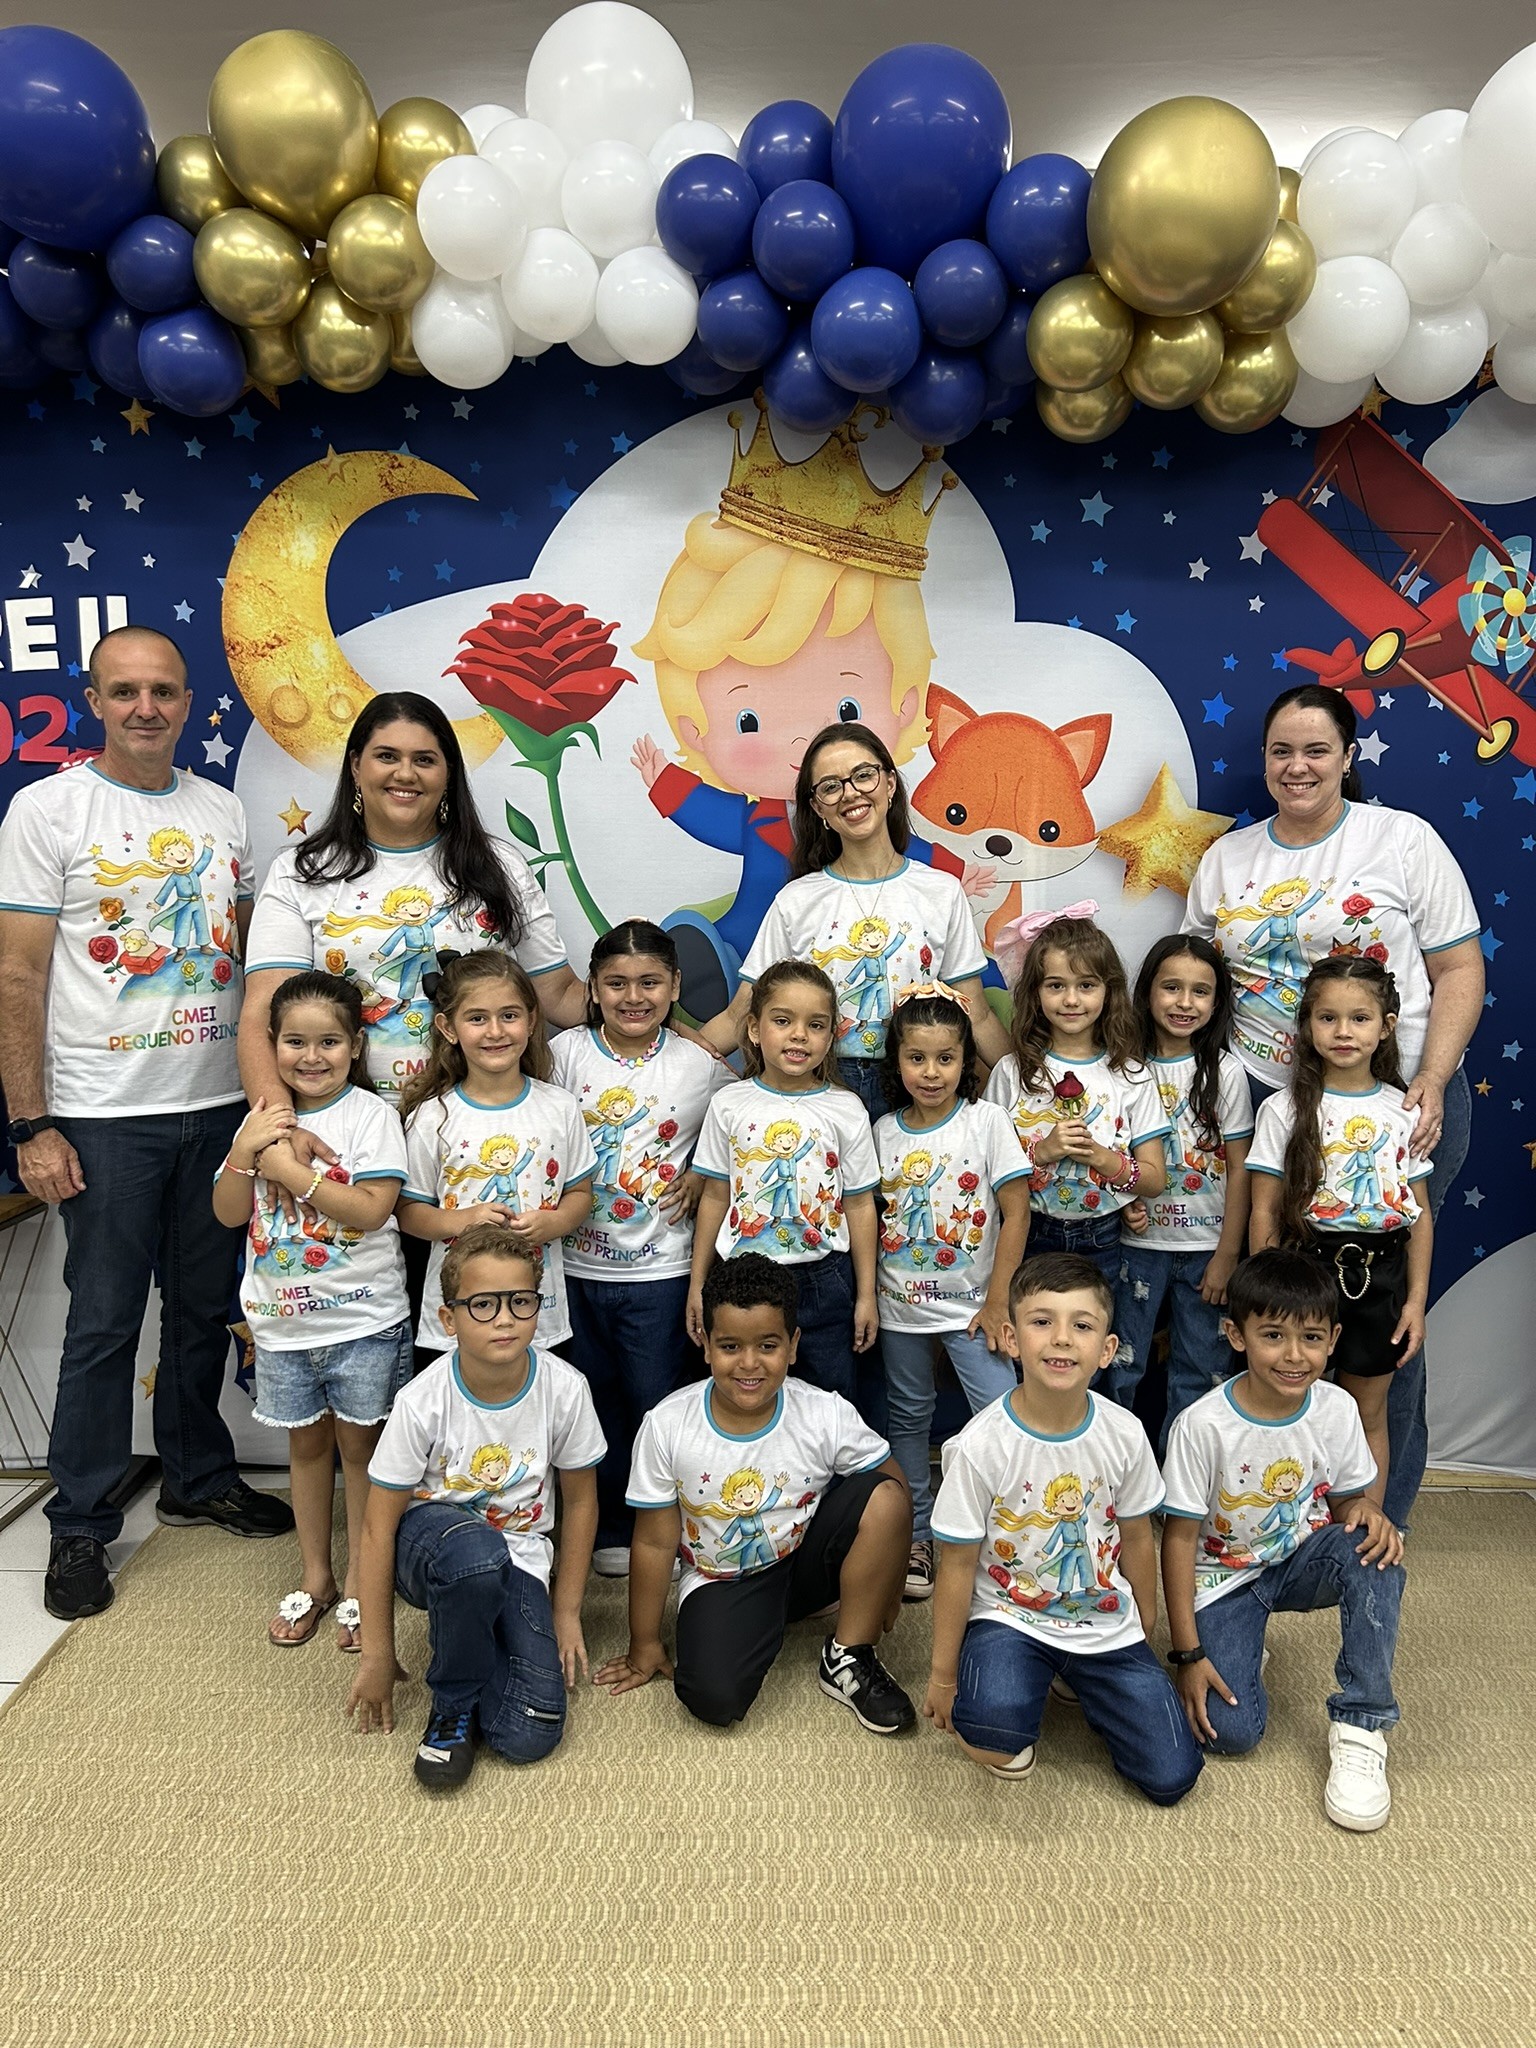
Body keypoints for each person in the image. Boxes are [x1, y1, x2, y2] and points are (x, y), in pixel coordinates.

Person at [0, 624, 291, 1623]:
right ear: (94, 701)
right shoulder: (48, 809)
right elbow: (17, 974)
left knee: (204, 1307)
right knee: (103, 1320)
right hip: (103, 1114)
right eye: (124, 691)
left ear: (188, 701)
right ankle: (81, 1519)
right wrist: (31, 1123)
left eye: (163, 690)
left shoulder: (221, 809)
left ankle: (196, 1475)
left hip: (215, 1106)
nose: (145, 707)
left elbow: (245, 956)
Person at [1183, 681, 1482, 1526]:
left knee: (1383, 1315)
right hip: (1273, 1106)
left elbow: (1459, 968)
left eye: (1317, 750)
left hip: (1399, 1103)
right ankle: (1278, 1510)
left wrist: (1431, 1077)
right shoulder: (1228, 860)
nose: (1298, 766)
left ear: (1348, 757)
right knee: (1281, 1303)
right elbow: (1197, 984)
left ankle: (1383, 1517)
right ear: (1263, 760)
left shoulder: (1402, 840)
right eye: (1282, 751)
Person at [629, 393, 967, 1019]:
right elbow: (716, 817)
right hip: (754, 953)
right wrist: (668, 784)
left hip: (857, 999)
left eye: (847, 709)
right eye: (748, 718)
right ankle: (705, 964)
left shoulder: (894, 858)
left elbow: (916, 856)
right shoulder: (767, 831)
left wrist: (961, 873)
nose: (804, 747)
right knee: (728, 956)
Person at [595, 1253, 915, 1734]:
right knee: (711, 1697)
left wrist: (892, 1577)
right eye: (730, 1346)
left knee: (884, 1495)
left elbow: (894, 1487)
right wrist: (644, 1643)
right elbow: (655, 1543)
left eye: (768, 1345)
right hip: (724, 1579)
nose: (749, 1363)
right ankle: (762, 1619)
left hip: (809, 1562)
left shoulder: (824, 1412)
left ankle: (848, 1654)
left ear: (793, 1345)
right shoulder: (667, 1425)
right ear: (706, 1345)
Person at [923, 1253, 1202, 1804]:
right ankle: (1030, 1678)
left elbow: (1137, 1534)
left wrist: (1143, 1622)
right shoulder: (978, 1446)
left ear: (1107, 1349)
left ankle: (1077, 1681)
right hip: (1010, 1616)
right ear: (1011, 1337)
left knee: (1173, 1776)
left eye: (1082, 1325)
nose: (1061, 1339)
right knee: (991, 1730)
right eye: (1041, 1321)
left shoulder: (1125, 1433)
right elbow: (956, 1563)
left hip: (1102, 1620)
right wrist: (942, 1676)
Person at [241, 691, 587, 1113]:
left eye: (424, 760)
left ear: (448, 774)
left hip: (480, 1124)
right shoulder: (301, 872)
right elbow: (264, 1015)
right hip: (351, 1128)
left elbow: (558, 995)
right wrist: (279, 1131)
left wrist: (647, 985)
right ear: (356, 766)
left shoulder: (499, 866)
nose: (405, 773)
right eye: (387, 756)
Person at [347, 1225, 603, 1786]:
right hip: (430, 1548)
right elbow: (376, 1528)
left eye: (520, 1302)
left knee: (530, 1734)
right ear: (449, 1319)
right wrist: (377, 1653)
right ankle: (452, 1704)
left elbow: (582, 1503)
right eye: (483, 1305)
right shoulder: (421, 1400)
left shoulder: (566, 1388)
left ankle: (470, 1637)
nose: (504, 1319)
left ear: (539, 1307)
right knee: (475, 1555)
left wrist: (565, 1612)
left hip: (519, 1557)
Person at [1161, 1249, 1405, 1832]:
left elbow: (1347, 1502)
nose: (1294, 1355)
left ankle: (1362, 1725)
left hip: (1300, 1559)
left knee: (1377, 1555)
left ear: (1333, 1340)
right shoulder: (1202, 1426)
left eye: (1311, 1338)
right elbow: (1178, 1542)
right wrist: (1188, 1655)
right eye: (1273, 1335)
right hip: (1223, 1579)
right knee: (1230, 1734)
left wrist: (1370, 1512)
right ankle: (1239, 1645)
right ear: (1236, 1335)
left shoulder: (1338, 1407)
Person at [212, 972, 411, 1650]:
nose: (312, 1056)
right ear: (273, 1044)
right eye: (294, 1042)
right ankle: (317, 1575)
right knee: (306, 1449)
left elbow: (372, 1209)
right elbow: (227, 1213)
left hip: (363, 1322)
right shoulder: (263, 1122)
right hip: (281, 1327)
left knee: (361, 1451)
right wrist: (247, 1154)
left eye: (329, 1042)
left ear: (356, 1045)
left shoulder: (371, 1116)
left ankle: (361, 1580)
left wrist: (292, 1172)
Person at [699, 722, 1011, 1118]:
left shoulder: (941, 891)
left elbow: (976, 1013)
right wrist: (661, 1062)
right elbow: (740, 1013)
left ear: (889, 784)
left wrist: (1032, 1086)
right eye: (831, 786)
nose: (850, 793)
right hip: (821, 1084)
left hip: (916, 1086)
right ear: (818, 807)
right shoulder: (797, 899)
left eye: (863, 775)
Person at [551, 919, 727, 1578]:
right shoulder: (564, 1054)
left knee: (656, 1400)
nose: (634, 997)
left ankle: (662, 1524)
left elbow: (744, 1125)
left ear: (675, 986)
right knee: (593, 1399)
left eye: (650, 982)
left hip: (660, 1269)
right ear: (593, 988)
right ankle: (608, 1525)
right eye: (616, 983)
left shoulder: (698, 1065)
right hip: (572, 1268)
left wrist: (704, 1172)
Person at [1246, 958, 1433, 1513]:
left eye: (1359, 1018)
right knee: (1287, 1403)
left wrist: (1415, 1302)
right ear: (1308, 1025)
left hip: (1383, 1278)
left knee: (1366, 1412)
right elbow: (1264, 1209)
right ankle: (1283, 1521)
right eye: (1328, 1018)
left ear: (1387, 1026)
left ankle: (1363, 1528)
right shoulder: (1284, 1109)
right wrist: (1266, 1292)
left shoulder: (1405, 1111)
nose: (1343, 1032)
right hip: (1303, 1272)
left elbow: (1420, 1216)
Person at [873, 984, 1031, 1604]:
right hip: (899, 1311)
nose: (931, 1072)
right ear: (897, 1061)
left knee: (1001, 1415)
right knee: (908, 1419)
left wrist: (998, 1302)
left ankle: (1006, 1534)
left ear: (966, 1060)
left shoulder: (987, 1122)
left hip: (974, 1311)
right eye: (917, 1058)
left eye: (946, 1058)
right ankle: (916, 1536)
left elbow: (1016, 1212)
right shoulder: (882, 1131)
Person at [689, 961, 880, 1403]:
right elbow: (715, 1196)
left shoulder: (846, 1108)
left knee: (831, 1401)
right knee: (747, 1396)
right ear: (754, 1029)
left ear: (832, 1035)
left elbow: (859, 1205)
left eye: (815, 1025)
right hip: (740, 1280)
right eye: (782, 1021)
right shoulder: (729, 1104)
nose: (799, 1035)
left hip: (824, 1279)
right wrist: (698, 1284)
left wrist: (866, 1295)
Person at [398, 951, 595, 1366]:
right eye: (477, 1018)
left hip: (541, 1317)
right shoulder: (432, 1117)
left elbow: (580, 1192)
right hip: (454, 1322)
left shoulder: (559, 1107)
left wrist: (555, 1222)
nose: (495, 1031)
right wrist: (462, 1220)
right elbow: (409, 1212)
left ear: (532, 1020)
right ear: (448, 1028)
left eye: (509, 1015)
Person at [1110, 936, 1253, 1443]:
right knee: (1120, 1367)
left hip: (1206, 1251)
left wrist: (1228, 1254)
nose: (1184, 1002)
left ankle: (1183, 1478)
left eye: (1200, 991)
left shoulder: (1226, 1072)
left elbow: (1241, 1169)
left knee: (1202, 1371)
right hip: (1136, 1248)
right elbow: (1109, 1153)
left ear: (1217, 1002)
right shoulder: (1121, 1068)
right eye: (1171, 987)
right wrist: (1124, 1203)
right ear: (1147, 991)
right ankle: (1119, 1472)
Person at [983, 912, 1169, 1279]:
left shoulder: (1131, 1074)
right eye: (1056, 985)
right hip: (1026, 1232)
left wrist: (1101, 1157)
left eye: (1086, 985)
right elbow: (983, 1164)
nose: (1071, 999)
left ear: (1108, 990)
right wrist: (1042, 1152)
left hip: (1102, 1237)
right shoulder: (1011, 1072)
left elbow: (1154, 1180)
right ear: (1035, 992)